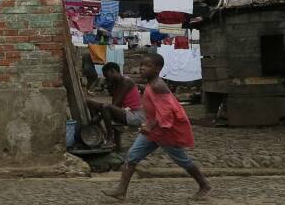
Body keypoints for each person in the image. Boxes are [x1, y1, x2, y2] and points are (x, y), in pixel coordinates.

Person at [105, 52, 212, 202]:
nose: (142, 68)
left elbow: (166, 113)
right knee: (132, 156)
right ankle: (121, 190)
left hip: (164, 132)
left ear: (158, 69)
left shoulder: (158, 86)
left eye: (147, 66)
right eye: (141, 65)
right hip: (153, 131)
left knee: (182, 160)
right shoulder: (151, 84)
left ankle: (204, 185)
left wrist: (150, 125)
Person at [86, 62, 144, 148]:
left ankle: (110, 139)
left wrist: (98, 117)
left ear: (113, 71)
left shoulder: (126, 81)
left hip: (134, 116)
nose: (106, 78)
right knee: (89, 102)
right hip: (124, 113)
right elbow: (115, 105)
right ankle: (101, 132)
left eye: (106, 75)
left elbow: (114, 104)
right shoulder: (116, 84)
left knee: (106, 107)